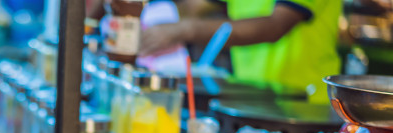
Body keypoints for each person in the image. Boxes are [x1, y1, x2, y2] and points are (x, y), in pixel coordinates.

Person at [138, 0, 342, 102]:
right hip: (251, 98)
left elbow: (275, 26)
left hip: (304, 104)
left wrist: (185, 29)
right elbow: (194, 7)